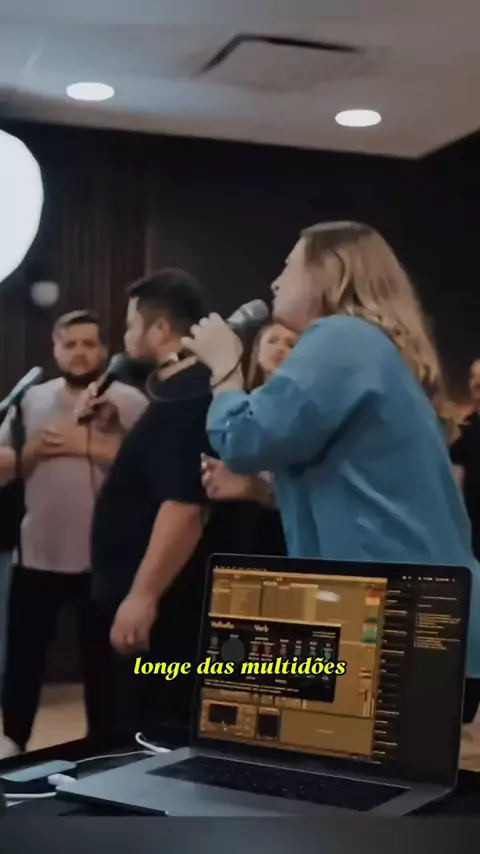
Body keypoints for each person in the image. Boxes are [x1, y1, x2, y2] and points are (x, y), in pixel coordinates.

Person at [183, 220, 480, 727]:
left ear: (327, 275)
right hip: (419, 608)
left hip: (394, 613)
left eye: (288, 266)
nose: (275, 281)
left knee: (369, 768)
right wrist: (265, 491)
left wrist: (226, 368)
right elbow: (356, 486)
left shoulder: (341, 338)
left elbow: (246, 438)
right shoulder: (371, 347)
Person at [90, 269, 238, 741]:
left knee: (147, 732)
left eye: (132, 324)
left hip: (165, 609)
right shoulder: (175, 391)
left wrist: (142, 595)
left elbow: (185, 505)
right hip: (147, 598)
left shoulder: (189, 395)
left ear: (159, 329)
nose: (126, 336)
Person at [0, 310, 147, 758]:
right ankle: (13, 741)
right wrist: (31, 452)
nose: (79, 353)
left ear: (104, 350)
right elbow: (4, 467)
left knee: (102, 664)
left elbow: (152, 470)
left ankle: (105, 750)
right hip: (37, 553)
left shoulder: (131, 401)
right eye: (70, 344)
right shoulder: (30, 400)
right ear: (55, 349)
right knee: (24, 658)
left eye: (89, 344)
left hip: (102, 561)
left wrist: (95, 445)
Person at [202, 321, 297, 556]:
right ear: (256, 351)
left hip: (279, 534)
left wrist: (256, 487)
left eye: (291, 344)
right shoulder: (232, 407)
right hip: (234, 532)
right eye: (272, 340)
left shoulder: (301, 411)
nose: (280, 348)